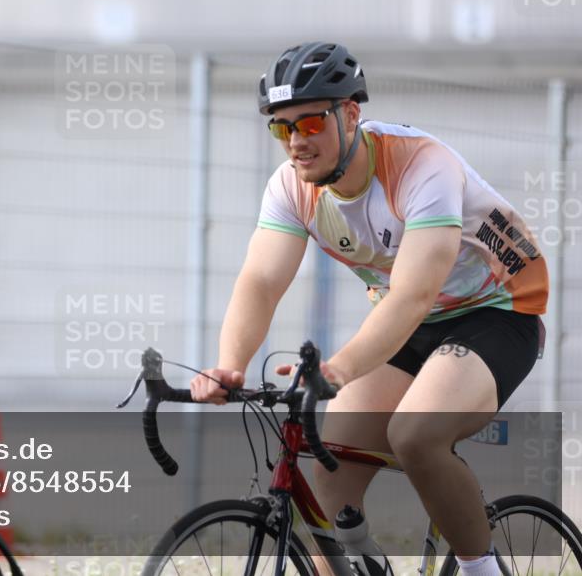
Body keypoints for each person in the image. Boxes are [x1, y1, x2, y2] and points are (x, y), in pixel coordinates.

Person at [190, 42, 547, 576]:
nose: (296, 143)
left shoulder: (422, 167)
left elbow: (413, 295)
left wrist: (336, 370)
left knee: (415, 436)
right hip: (408, 324)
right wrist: (230, 365)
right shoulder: (291, 188)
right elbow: (261, 281)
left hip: (496, 313)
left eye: (309, 123)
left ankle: (482, 569)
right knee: (326, 465)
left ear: (350, 113)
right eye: (281, 129)